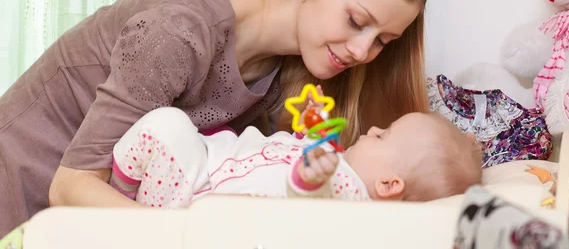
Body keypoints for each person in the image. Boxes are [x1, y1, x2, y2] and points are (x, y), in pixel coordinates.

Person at [0, 0, 428, 236]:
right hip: (25, 185)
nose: (361, 52)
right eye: (356, 21)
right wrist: (192, 235)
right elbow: (71, 186)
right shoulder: (177, 32)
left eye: (382, 41)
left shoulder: (295, 65)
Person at [109, 108, 482, 205]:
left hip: (192, 199)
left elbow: (306, 202)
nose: (370, 131)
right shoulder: (335, 161)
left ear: (388, 184)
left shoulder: (348, 195)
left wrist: (309, 176)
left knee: (166, 127)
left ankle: (133, 217)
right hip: (207, 169)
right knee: (168, 128)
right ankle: (121, 204)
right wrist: (307, 130)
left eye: (382, 135)